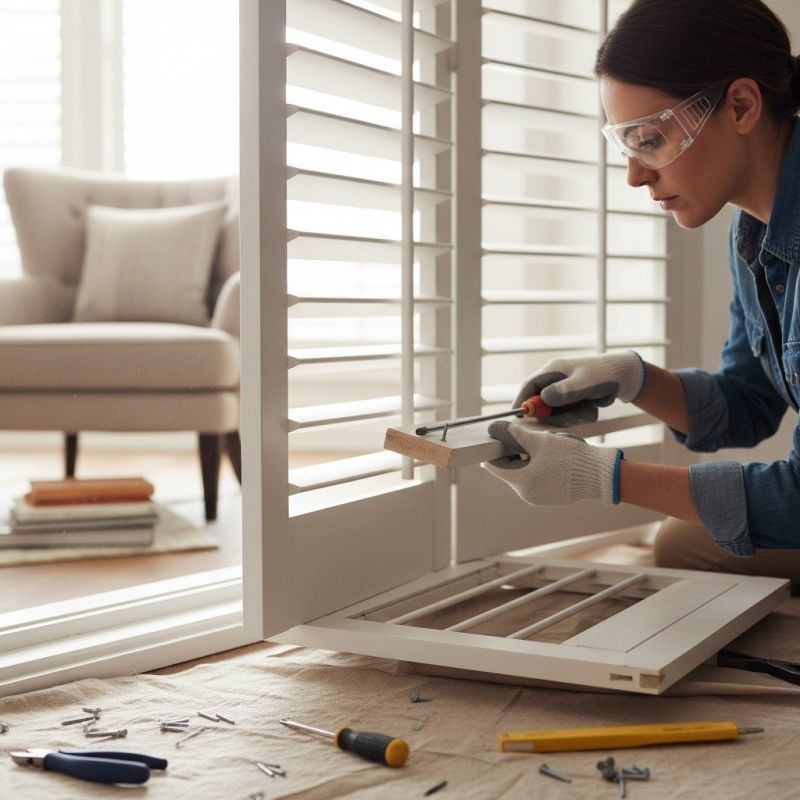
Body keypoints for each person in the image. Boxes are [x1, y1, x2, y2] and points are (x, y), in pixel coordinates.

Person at [485, 0, 800, 585]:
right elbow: (747, 403)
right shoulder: (753, 236)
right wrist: (631, 379)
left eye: (650, 139)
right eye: (626, 146)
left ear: (741, 106)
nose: (635, 175)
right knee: (684, 543)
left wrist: (602, 476)